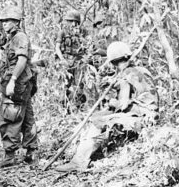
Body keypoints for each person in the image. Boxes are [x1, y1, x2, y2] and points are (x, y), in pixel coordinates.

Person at [54, 41, 158, 173]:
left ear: (113, 62)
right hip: (149, 114)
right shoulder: (142, 70)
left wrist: (112, 102)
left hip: (142, 118)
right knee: (98, 115)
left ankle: (79, 162)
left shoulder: (126, 76)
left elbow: (122, 105)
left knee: (97, 122)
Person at [0, 5, 38, 168]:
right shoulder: (12, 39)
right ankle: (31, 152)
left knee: (9, 117)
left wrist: (12, 80)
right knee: (26, 117)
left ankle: (10, 155)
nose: (4, 24)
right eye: (3, 21)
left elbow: (22, 60)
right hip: (20, 83)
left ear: (16, 22)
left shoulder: (19, 38)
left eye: (8, 21)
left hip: (17, 83)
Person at [55, 9, 89, 111]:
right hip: (66, 61)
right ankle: (64, 108)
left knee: (79, 85)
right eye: (71, 21)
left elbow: (88, 45)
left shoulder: (83, 32)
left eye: (76, 22)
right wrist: (62, 60)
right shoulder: (62, 32)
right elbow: (57, 48)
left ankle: (78, 107)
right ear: (67, 22)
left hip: (79, 62)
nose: (73, 24)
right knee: (65, 85)